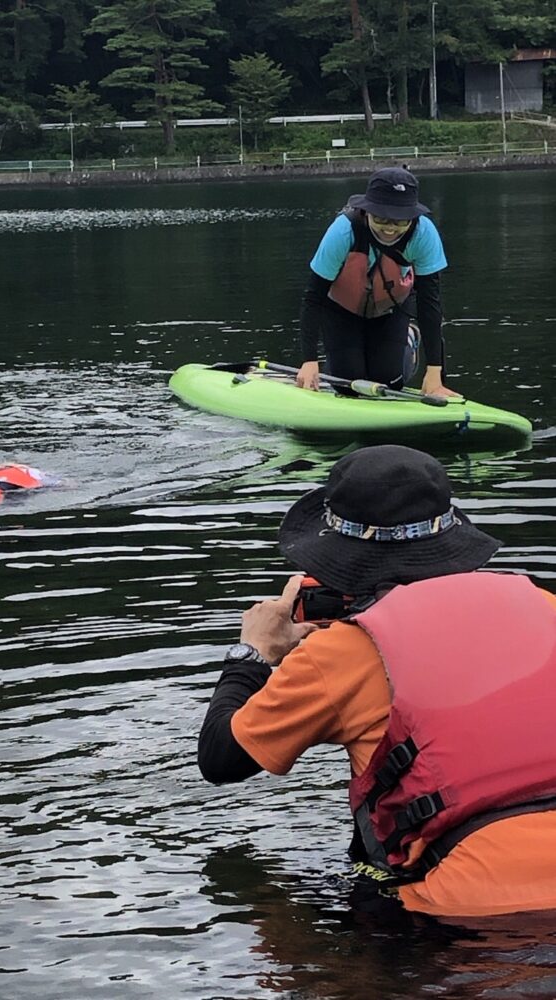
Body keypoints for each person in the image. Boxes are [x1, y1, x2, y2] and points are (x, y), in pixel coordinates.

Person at [198, 444, 556, 917]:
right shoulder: (545, 607)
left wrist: (254, 654)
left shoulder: (344, 652)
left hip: (472, 918)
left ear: (339, 559)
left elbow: (221, 758)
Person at [297, 167, 458, 398]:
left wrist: (435, 374)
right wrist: (309, 361)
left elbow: (429, 304)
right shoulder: (343, 231)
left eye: (400, 221)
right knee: (348, 385)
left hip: (391, 309)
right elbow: (313, 297)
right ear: (367, 211)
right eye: (381, 218)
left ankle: (409, 339)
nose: (390, 228)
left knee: (388, 383)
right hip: (341, 310)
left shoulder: (424, 233)